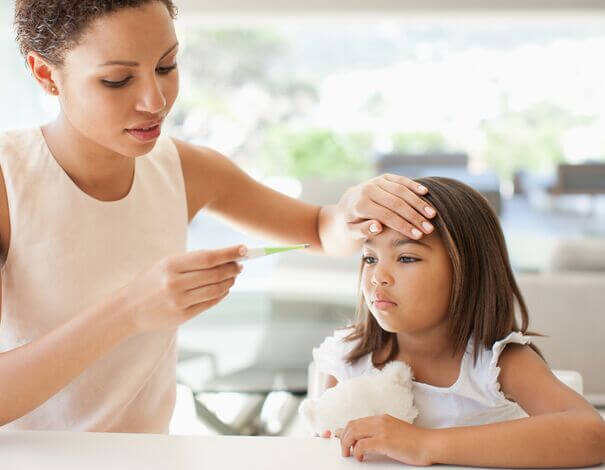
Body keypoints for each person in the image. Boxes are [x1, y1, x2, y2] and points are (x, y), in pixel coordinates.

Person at [0, 0, 437, 432]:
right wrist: (131, 309)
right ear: (46, 74)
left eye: (167, 67)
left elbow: (319, 231)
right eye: (118, 80)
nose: (154, 101)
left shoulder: (186, 170)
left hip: (149, 460)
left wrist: (353, 211)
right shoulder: (10, 182)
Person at [313, 177, 605, 467]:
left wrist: (423, 444)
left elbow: (592, 434)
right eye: (369, 258)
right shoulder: (349, 357)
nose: (378, 276)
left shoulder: (496, 364)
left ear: (468, 271)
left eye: (406, 258)